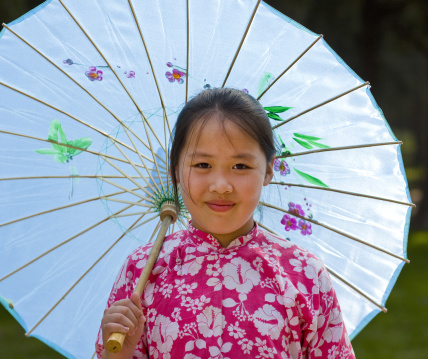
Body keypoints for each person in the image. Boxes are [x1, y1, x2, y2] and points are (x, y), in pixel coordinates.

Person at [95, 88, 355, 359]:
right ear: (175, 168)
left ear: (268, 170)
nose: (221, 186)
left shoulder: (304, 274)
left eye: (240, 166)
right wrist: (118, 355)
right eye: (203, 165)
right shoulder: (143, 271)